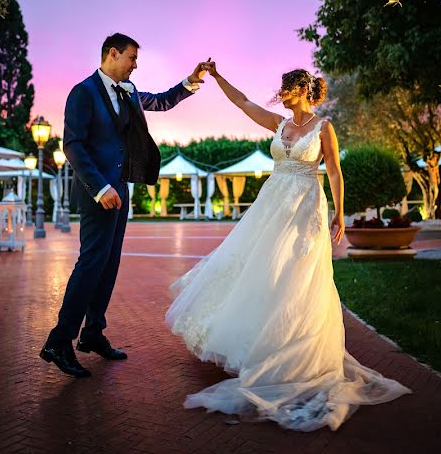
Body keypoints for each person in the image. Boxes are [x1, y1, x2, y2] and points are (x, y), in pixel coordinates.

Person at [166, 62, 411, 431]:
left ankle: (293, 354)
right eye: (280, 88)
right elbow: (243, 102)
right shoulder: (277, 124)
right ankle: (257, 346)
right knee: (260, 270)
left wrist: (341, 213)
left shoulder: (323, 127)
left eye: (286, 88)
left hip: (304, 207)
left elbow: (334, 171)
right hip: (270, 206)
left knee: (294, 275)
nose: (280, 93)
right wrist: (217, 78)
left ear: (302, 89)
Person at [41, 33, 209, 378]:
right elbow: (72, 145)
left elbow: (161, 101)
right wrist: (100, 187)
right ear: (112, 54)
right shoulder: (83, 92)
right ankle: (59, 341)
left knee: (108, 265)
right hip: (97, 193)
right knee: (91, 264)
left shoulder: (129, 91)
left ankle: (92, 334)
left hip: (120, 189)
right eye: (131, 58)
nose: (135, 65)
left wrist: (191, 82)